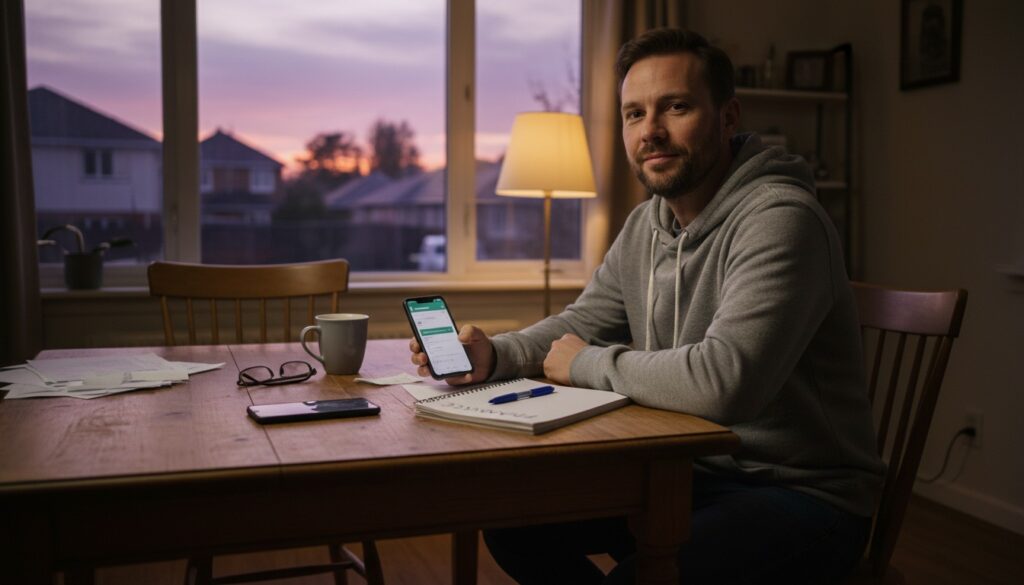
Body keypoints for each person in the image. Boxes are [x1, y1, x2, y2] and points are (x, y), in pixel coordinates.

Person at [409, 28, 884, 585]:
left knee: (641, 576)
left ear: (728, 117)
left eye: (676, 107)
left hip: (804, 494)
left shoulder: (781, 220)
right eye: (634, 114)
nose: (651, 132)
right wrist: (496, 354)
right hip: (688, 471)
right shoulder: (647, 224)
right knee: (514, 523)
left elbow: (724, 383)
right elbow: (582, 322)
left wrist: (587, 364)